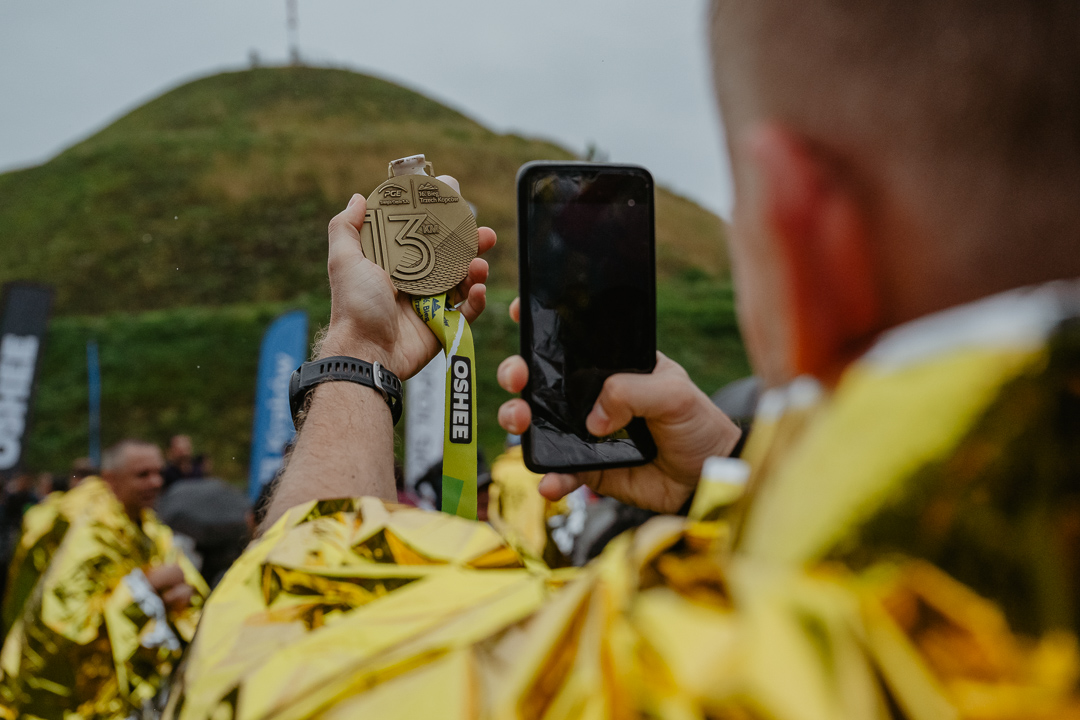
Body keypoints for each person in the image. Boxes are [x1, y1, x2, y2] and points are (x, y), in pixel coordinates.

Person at [168, 2, 1080, 717]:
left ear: (800, 233)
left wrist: (361, 350)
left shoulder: (697, 677)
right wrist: (730, 471)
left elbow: (286, 648)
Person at [0, 440, 207, 719]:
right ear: (111, 478)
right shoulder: (88, 530)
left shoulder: (152, 531)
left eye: (159, 472)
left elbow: (194, 597)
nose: (156, 482)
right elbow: (64, 624)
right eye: (142, 475)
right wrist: (144, 593)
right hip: (75, 700)